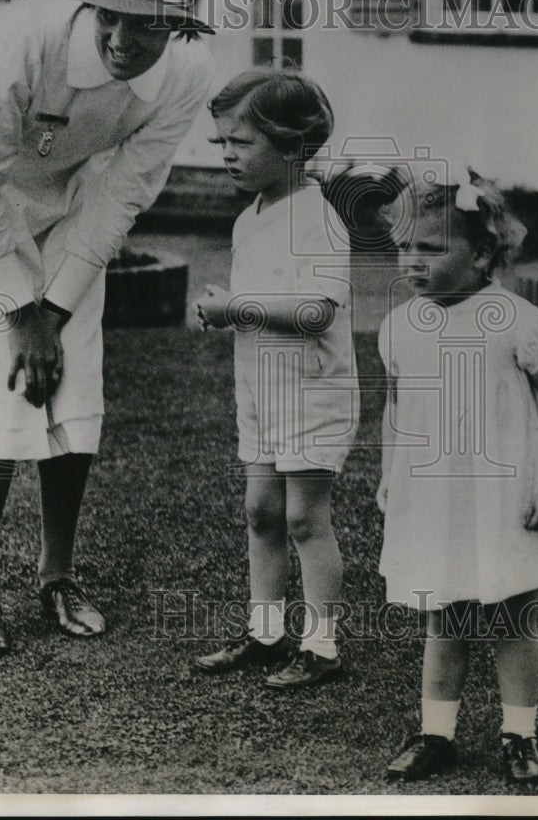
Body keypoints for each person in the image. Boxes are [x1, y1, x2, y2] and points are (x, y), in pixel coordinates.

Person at [0, 0, 215, 654]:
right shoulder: (24, 35)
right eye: (108, 16)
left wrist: (55, 308)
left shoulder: (187, 72)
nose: (119, 38)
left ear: (176, 25)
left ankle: (57, 574)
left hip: (72, 203)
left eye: (144, 25)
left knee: (72, 376)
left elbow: (125, 192)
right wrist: (22, 312)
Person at [376, 168, 538, 782]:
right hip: (435, 492)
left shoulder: (517, 320)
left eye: (431, 247)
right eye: (404, 248)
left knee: (510, 615)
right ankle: (436, 733)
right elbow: (398, 409)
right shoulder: (399, 326)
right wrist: (389, 475)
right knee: (443, 613)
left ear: (480, 253)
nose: (413, 262)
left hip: (506, 491)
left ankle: (519, 734)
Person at [192, 69, 360, 689]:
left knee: (304, 519)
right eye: (223, 144)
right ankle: (266, 632)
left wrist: (236, 308)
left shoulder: (317, 219)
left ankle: (322, 647)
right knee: (261, 510)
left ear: (293, 147)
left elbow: (318, 311)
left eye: (243, 143)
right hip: (262, 386)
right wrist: (229, 309)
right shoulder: (250, 218)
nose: (229, 156)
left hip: (312, 391)